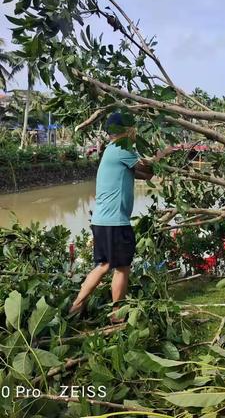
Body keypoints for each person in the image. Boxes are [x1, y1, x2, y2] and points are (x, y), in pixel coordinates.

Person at [69, 112, 172, 322]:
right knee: (122, 267)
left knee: (104, 265)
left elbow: (146, 174)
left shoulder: (113, 151)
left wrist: (156, 163)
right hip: (114, 221)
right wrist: (163, 154)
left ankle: (75, 308)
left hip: (103, 220)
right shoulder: (122, 149)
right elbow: (147, 166)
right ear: (126, 131)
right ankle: (116, 315)